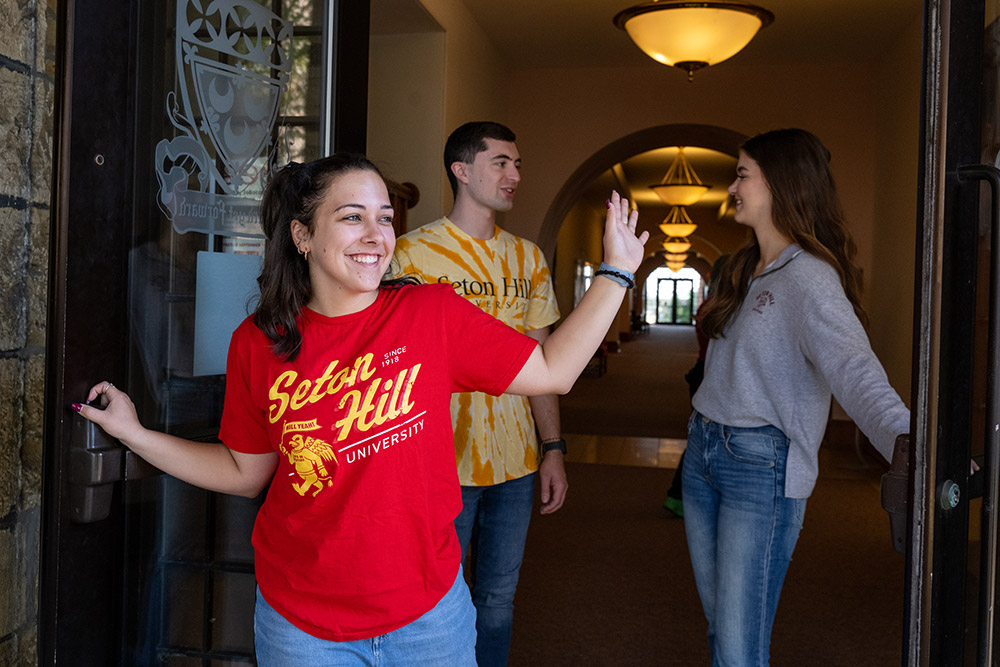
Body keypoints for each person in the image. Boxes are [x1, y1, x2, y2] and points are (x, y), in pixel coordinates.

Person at [73, 153, 647, 666]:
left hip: (427, 618)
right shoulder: (259, 341)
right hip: (303, 629)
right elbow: (245, 474)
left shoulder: (429, 314)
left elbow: (554, 371)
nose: (376, 235)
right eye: (352, 217)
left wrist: (617, 272)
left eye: (384, 218)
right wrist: (136, 434)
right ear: (302, 234)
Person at [682, 129, 910, 666]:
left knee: (740, 647)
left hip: (758, 468)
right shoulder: (744, 268)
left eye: (742, 173)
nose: (732, 185)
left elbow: (856, 369)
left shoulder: (811, 278)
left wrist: (910, 440)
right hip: (703, 452)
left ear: (781, 183)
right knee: (722, 628)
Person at [392, 121, 565, 666]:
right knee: (436, 595)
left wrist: (553, 448)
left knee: (497, 599)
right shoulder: (409, 256)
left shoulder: (529, 259)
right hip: (440, 462)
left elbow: (544, 361)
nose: (514, 175)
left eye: (517, 165)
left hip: (516, 463)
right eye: (500, 163)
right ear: (461, 171)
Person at [664, 254, 728, 518]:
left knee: (703, 437)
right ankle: (680, 494)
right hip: (709, 375)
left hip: (705, 372)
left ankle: (681, 494)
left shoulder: (710, 306)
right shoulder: (719, 308)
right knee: (704, 439)